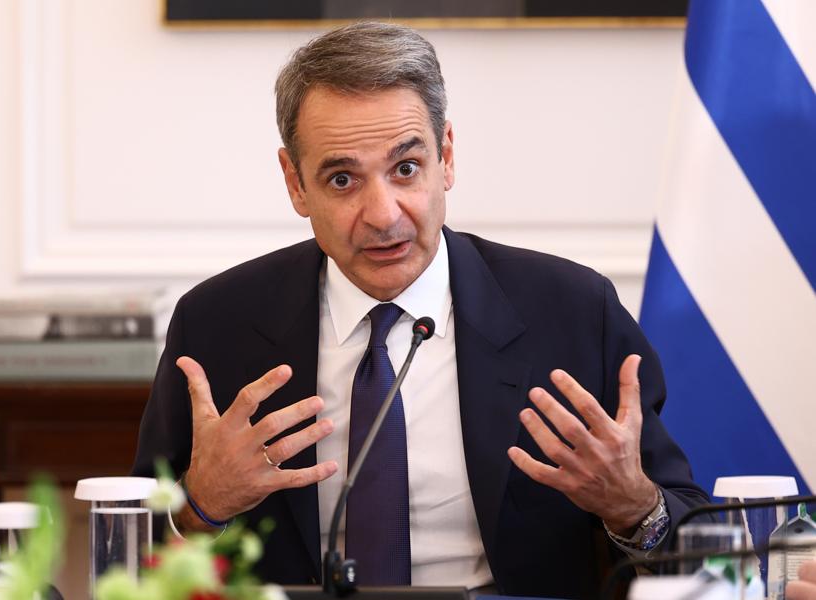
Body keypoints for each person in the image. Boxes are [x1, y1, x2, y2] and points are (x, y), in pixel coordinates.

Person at [132, 22, 709, 598]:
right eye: (342, 179)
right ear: (295, 183)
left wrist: (635, 506)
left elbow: (711, 558)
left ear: (446, 158)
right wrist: (200, 507)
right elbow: (128, 567)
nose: (383, 214)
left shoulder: (574, 313)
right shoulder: (217, 327)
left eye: (405, 168)